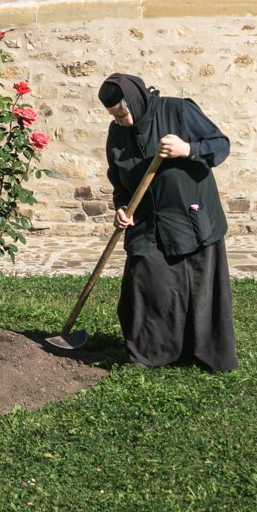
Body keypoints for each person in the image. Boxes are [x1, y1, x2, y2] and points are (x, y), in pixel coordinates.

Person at [99, 73, 237, 371]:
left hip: (192, 218)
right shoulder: (117, 132)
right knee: (144, 284)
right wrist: (122, 207)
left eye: (122, 114)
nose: (120, 121)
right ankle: (150, 353)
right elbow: (118, 178)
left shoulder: (178, 110)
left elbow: (220, 145)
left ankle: (202, 352)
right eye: (114, 116)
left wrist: (187, 150)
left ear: (135, 102)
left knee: (200, 288)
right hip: (147, 221)